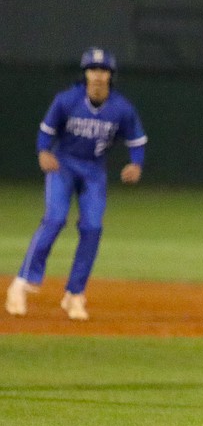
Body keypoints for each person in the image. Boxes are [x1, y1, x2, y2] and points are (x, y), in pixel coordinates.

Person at [5, 47, 147, 321]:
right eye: (93, 70)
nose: (98, 76)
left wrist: (136, 163)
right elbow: (46, 131)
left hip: (94, 171)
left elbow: (137, 141)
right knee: (55, 219)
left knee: (92, 227)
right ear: (85, 74)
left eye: (103, 70)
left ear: (111, 76)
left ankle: (75, 293)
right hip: (63, 166)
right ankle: (21, 284)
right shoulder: (67, 100)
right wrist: (43, 151)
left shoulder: (121, 108)